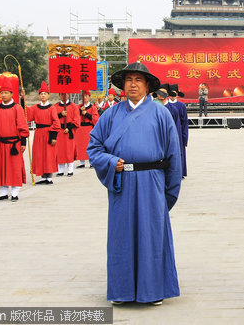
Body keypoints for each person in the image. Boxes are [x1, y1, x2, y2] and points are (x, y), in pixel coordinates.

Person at [87, 61, 182, 305]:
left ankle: (153, 291)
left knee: (151, 235)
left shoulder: (161, 113)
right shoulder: (111, 114)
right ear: (123, 85)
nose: (133, 84)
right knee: (122, 236)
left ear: (148, 85)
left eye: (138, 80)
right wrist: (109, 161)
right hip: (123, 182)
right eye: (129, 79)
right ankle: (121, 291)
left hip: (152, 182)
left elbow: (174, 155)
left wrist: (169, 193)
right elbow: (94, 147)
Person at [25, 81, 59, 185]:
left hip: (48, 132)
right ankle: (42, 176)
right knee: (39, 154)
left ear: (48, 95)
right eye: (41, 94)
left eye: (45, 93)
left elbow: (56, 123)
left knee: (48, 155)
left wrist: (54, 136)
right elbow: (26, 113)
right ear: (39, 95)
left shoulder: (52, 108)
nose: (43, 95)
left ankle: (49, 176)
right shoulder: (35, 108)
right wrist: (23, 100)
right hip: (39, 133)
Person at [54, 93, 80, 177]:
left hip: (69, 130)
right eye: (62, 94)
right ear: (59, 95)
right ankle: (60, 170)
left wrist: (68, 128)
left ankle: (70, 170)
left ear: (68, 95)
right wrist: (61, 114)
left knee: (69, 151)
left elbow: (76, 120)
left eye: (65, 94)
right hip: (59, 131)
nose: (64, 96)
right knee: (60, 151)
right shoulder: (55, 106)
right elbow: (52, 118)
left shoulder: (73, 106)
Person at [169, 84, 189, 178]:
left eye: (174, 94)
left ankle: (180, 173)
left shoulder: (181, 105)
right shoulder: (163, 105)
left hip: (178, 132)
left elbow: (185, 122)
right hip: (167, 132)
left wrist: (185, 137)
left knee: (180, 152)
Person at [75, 90, 99, 168]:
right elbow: (74, 116)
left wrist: (86, 114)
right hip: (80, 128)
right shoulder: (78, 107)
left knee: (89, 145)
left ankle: (91, 162)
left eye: (86, 96)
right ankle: (82, 162)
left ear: (89, 97)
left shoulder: (93, 107)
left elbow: (96, 119)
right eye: (83, 96)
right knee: (80, 145)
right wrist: (80, 111)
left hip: (88, 128)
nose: (84, 98)